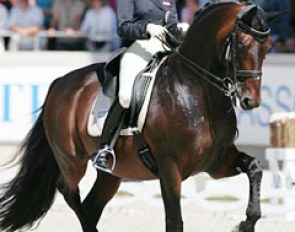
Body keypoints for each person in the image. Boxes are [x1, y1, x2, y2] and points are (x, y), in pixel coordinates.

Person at [93, 0, 189, 171]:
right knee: (125, 96)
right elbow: (123, 27)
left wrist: (180, 29)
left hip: (165, 47)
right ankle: (105, 147)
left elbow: (171, 24)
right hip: (138, 47)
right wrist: (147, 28)